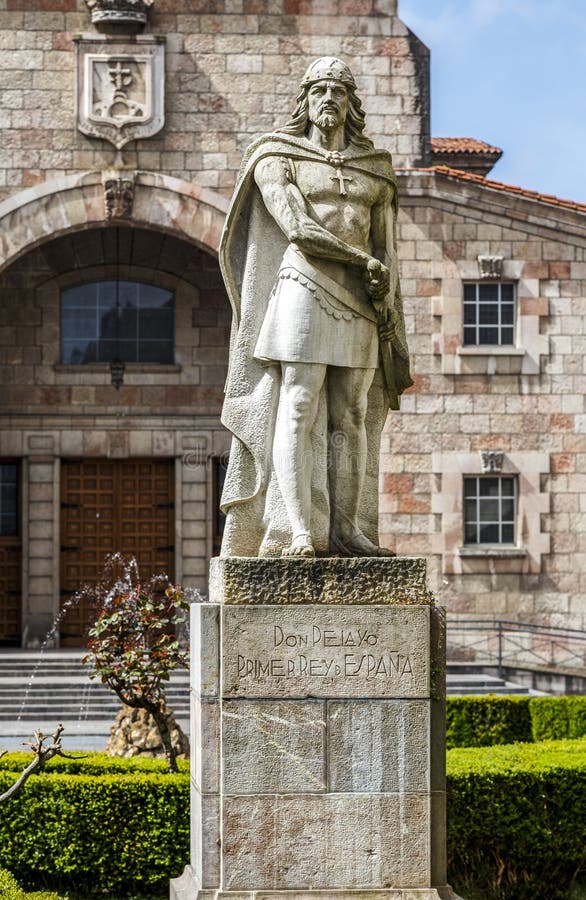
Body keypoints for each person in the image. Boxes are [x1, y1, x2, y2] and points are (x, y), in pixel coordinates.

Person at [219, 57, 412, 558]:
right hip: (304, 285)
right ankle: (298, 529)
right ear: (304, 101)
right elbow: (297, 227)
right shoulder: (276, 156)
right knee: (299, 405)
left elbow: (387, 246)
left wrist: (387, 297)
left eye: (339, 91)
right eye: (320, 90)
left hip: (362, 298)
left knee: (349, 414)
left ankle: (349, 530)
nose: (329, 99)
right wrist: (360, 259)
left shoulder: (376, 170)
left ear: (351, 105)